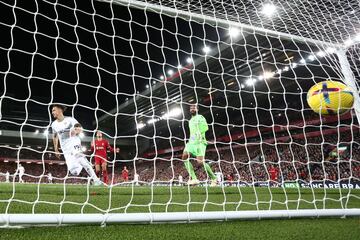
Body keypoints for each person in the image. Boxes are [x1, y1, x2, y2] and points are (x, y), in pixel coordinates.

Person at [51, 104, 101, 185]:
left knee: (81, 160)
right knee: (74, 171)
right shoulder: (54, 124)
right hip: (65, 148)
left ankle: (96, 180)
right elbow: (55, 136)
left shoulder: (70, 120)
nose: (52, 112)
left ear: (60, 110)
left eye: (54, 110)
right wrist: (56, 149)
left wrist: (76, 131)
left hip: (74, 142)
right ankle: (82, 162)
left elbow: (79, 128)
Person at [182, 104, 217, 186]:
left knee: (200, 162)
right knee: (184, 157)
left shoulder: (200, 117)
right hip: (191, 142)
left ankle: (214, 178)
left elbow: (206, 127)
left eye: (193, 108)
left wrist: (198, 133)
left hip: (200, 142)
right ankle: (194, 179)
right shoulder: (190, 120)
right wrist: (191, 139)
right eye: (190, 108)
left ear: (197, 109)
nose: (192, 109)